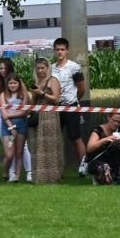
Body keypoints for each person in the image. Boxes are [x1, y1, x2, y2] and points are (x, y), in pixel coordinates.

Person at [50, 37, 88, 174]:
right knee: (54, 138)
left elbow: (82, 88)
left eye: (62, 49)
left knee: (76, 137)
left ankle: (84, 166)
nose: (60, 52)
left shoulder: (74, 67)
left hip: (71, 106)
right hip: (55, 107)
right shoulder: (51, 68)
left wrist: (74, 100)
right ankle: (56, 168)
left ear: (67, 51)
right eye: (57, 50)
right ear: (54, 51)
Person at [28, 58, 63, 184]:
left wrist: (42, 93)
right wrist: (35, 94)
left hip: (50, 116)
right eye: (38, 68)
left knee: (50, 145)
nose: (40, 71)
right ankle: (40, 176)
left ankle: (53, 176)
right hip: (37, 115)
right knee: (38, 145)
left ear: (48, 68)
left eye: (43, 68)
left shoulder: (53, 80)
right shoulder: (36, 81)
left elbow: (56, 99)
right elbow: (32, 102)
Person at [0, 74, 31, 182]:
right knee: (9, 153)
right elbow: (3, 113)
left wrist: (11, 115)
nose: (13, 85)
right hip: (8, 127)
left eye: (15, 83)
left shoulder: (23, 95)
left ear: (19, 84)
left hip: (21, 125)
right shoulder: (3, 95)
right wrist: (11, 127)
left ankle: (17, 176)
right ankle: (5, 172)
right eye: (10, 83)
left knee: (19, 151)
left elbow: (24, 111)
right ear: (7, 84)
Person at [84, 112, 120, 185]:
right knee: (104, 167)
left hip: (114, 159)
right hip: (98, 160)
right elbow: (89, 148)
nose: (116, 124)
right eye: (114, 120)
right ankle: (100, 178)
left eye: (119, 122)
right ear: (108, 118)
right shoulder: (98, 130)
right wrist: (105, 139)